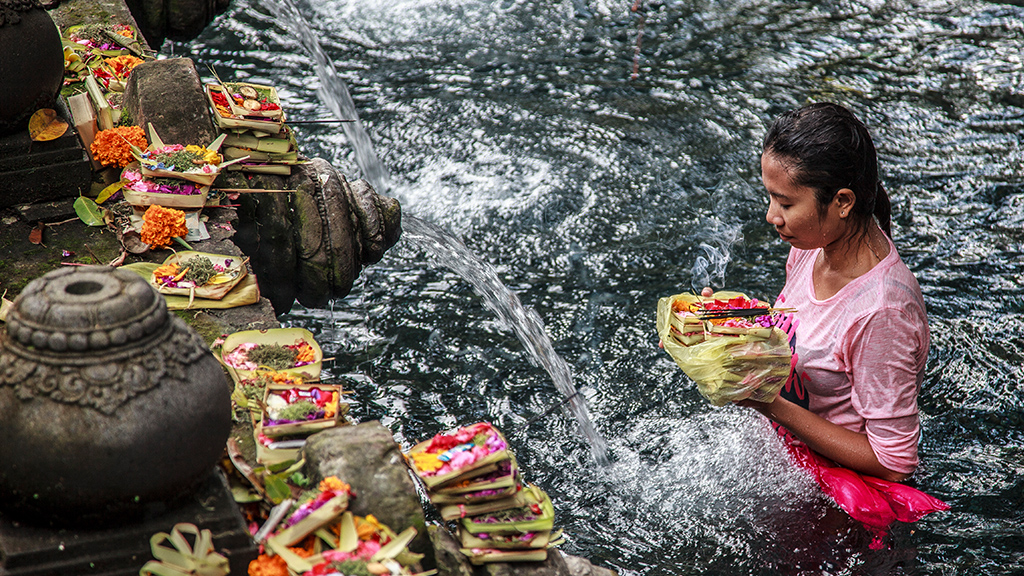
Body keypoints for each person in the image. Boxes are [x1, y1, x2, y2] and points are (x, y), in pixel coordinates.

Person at [730, 102, 930, 483]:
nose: (772, 216)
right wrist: (722, 327)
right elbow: (794, 332)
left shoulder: (882, 312)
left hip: (838, 495)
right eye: (771, 197)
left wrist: (770, 406)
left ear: (842, 202)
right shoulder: (811, 246)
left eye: (786, 202)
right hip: (786, 453)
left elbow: (895, 462)